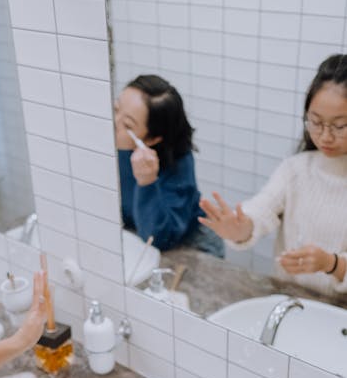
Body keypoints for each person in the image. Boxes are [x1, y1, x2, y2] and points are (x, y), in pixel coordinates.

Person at [199, 53, 347, 298]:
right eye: (316, 122)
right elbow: (261, 209)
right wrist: (241, 228)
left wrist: (332, 264)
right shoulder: (296, 169)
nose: (325, 136)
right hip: (287, 302)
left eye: (340, 126)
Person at [114, 74, 225, 257]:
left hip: (188, 244)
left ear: (151, 139)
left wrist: (147, 182)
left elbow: (159, 239)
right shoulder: (117, 142)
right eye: (115, 109)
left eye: (127, 124)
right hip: (136, 236)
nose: (113, 122)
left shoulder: (178, 164)